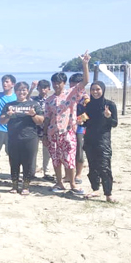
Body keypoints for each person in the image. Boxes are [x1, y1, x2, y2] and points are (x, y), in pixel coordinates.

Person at [43, 50, 90, 194]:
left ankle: (73, 184)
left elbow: (85, 81)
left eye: (59, 83)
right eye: (54, 83)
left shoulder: (71, 93)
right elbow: (46, 118)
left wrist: (85, 64)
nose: (57, 85)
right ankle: (59, 183)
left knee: (69, 159)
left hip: (68, 131)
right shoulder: (49, 100)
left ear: (64, 83)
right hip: (53, 133)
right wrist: (44, 134)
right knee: (56, 159)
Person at [0, 82, 44, 195]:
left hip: (30, 138)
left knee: (28, 162)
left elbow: (41, 121)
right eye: (19, 90)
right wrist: (8, 115)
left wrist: (33, 115)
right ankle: (14, 185)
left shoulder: (33, 104)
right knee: (14, 162)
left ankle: (26, 186)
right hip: (13, 138)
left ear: (27, 91)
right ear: (15, 91)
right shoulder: (9, 105)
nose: (21, 92)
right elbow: (2, 120)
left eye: (24, 90)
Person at [83, 81, 118, 202]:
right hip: (89, 139)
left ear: (103, 90)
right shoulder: (88, 105)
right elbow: (86, 121)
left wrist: (108, 116)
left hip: (103, 140)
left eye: (98, 89)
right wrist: (80, 121)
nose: (95, 92)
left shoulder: (110, 104)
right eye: (93, 89)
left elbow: (114, 124)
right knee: (92, 166)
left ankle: (108, 193)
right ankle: (95, 189)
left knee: (104, 167)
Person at [30, 80, 53, 181]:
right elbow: (25, 98)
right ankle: (32, 172)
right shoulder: (34, 99)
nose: (43, 90)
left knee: (46, 151)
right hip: (35, 128)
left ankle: (46, 171)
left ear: (49, 89)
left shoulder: (51, 100)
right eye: (40, 87)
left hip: (47, 128)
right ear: (37, 89)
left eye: (45, 87)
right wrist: (31, 87)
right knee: (33, 151)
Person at [67, 73, 88, 185]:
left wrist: (79, 119)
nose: (72, 87)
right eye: (71, 84)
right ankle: (68, 174)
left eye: (74, 85)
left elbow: (89, 113)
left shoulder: (85, 98)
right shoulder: (67, 95)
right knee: (67, 149)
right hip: (68, 126)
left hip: (80, 126)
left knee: (79, 149)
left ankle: (78, 174)